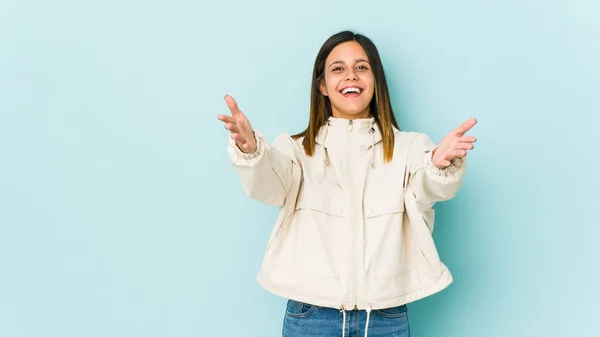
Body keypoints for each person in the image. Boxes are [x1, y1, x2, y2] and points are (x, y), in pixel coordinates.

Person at [217, 31, 477, 337]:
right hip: (310, 316)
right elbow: (270, 185)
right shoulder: (296, 149)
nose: (350, 75)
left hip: (384, 317)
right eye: (338, 68)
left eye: (362, 67)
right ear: (323, 86)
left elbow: (428, 188)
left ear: (376, 81)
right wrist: (252, 151)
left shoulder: (410, 147)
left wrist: (437, 164)